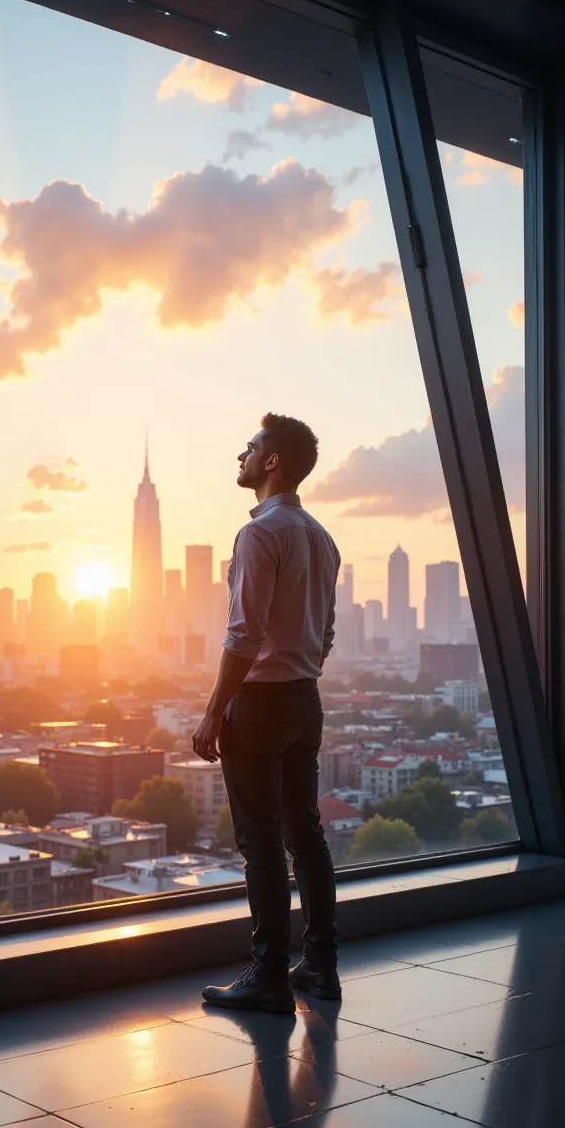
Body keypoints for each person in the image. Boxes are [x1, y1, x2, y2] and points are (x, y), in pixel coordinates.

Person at [193, 413, 342, 1013]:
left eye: (251, 447)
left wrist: (214, 712)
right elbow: (325, 632)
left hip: (259, 704)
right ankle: (321, 968)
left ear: (272, 461)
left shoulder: (260, 534)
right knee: (306, 836)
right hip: (305, 699)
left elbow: (243, 635)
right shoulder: (321, 536)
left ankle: (268, 976)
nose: (242, 455)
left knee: (261, 842)